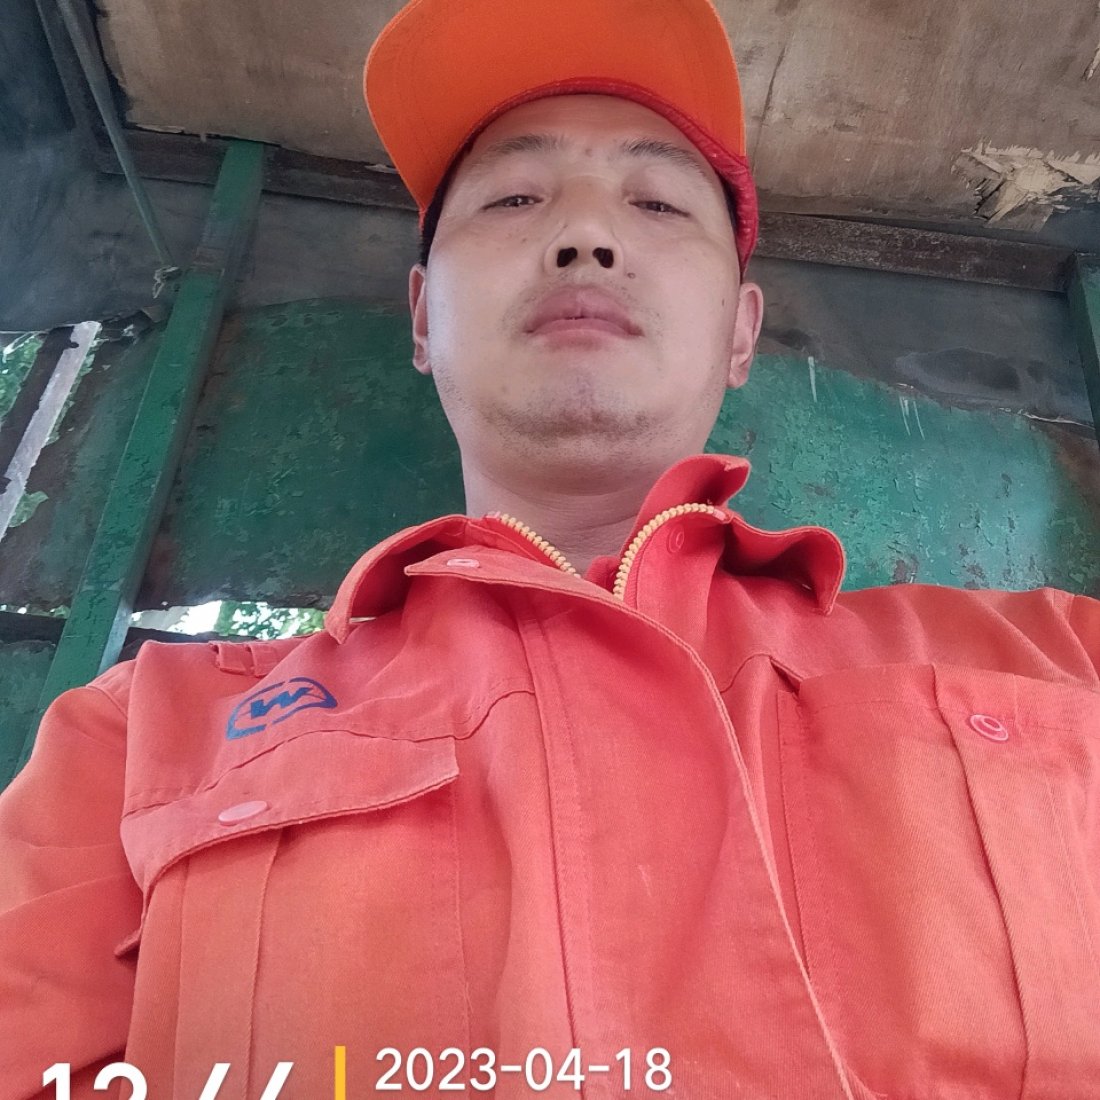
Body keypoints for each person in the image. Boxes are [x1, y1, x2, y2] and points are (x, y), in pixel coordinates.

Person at [2, 0, 1099, 1096]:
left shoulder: (1065, 658)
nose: (585, 237)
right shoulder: (135, 741)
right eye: (515, 197)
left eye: (656, 201)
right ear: (421, 319)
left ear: (740, 332)